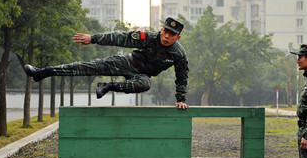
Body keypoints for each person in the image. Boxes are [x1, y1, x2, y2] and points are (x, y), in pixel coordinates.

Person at [23, 17, 189, 109]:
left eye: (172, 34)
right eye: (165, 31)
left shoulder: (178, 54)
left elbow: (182, 76)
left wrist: (180, 99)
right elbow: (121, 38)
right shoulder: (149, 38)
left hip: (142, 75)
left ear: (177, 37)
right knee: (88, 67)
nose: (167, 36)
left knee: (145, 85)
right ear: (162, 30)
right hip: (127, 63)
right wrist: (93, 39)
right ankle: (42, 72)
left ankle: (108, 86)